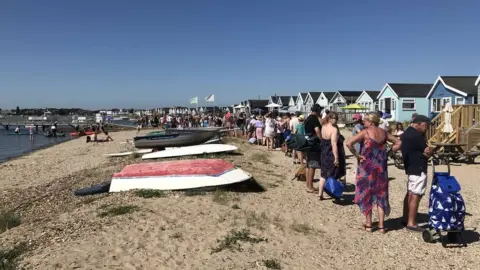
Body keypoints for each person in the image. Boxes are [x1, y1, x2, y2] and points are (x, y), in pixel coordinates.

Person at [346, 113, 401, 233]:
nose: (363, 122)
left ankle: (369, 225)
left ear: (371, 122)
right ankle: (381, 226)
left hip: (366, 168)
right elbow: (398, 143)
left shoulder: (365, 132)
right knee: (381, 194)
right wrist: (389, 153)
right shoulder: (384, 132)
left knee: (367, 194)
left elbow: (348, 143)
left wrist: (357, 155)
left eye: (365, 120)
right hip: (381, 168)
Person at [400, 115, 434, 232]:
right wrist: (431, 151)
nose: (427, 128)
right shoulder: (416, 136)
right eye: (426, 125)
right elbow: (427, 152)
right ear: (419, 123)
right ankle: (412, 222)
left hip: (410, 167)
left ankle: (405, 218)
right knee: (416, 195)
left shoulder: (406, 133)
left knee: (409, 193)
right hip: (418, 167)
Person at [319, 112, 346, 200]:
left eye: (337, 119)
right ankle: (331, 192)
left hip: (323, 152)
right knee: (332, 174)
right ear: (330, 118)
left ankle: (320, 194)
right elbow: (334, 145)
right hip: (330, 153)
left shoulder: (323, 126)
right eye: (335, 118)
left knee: (323, 174)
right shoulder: (334, 129)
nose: (336, 120)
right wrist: (337, 158)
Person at [304, 104, 323, 193]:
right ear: (318, 110)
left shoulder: (308, 118)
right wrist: (322, 140)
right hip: (314, 144)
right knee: (313, 165)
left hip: (308, 143)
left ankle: (308, 185)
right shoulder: (314, 119)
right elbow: (317, 130)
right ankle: (310, 187)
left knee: (308, 165)